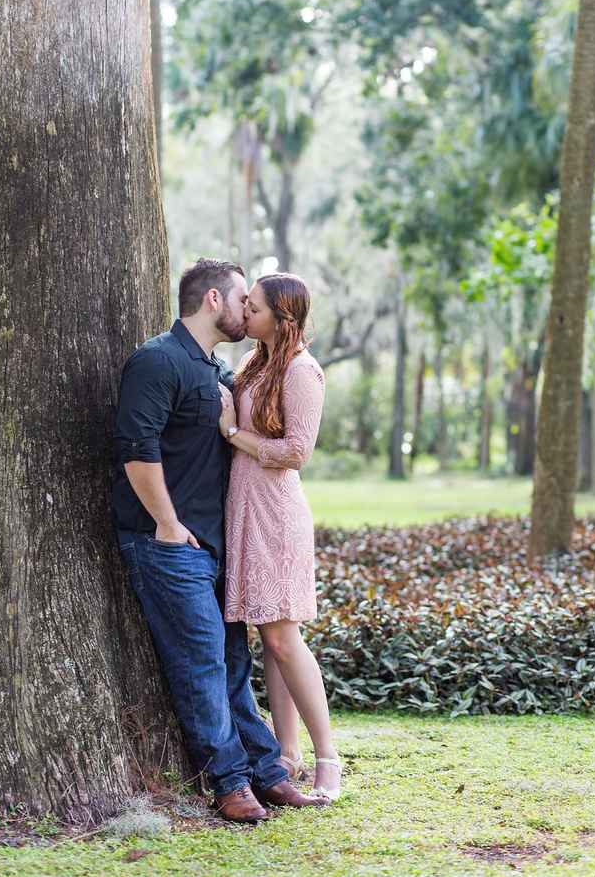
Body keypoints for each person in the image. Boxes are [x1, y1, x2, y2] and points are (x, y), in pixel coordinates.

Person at [113, 258, 327, 824]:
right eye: (242, 302)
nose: (246, 312)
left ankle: (269, 771)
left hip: (217, 543)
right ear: (213, 300)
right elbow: (137, 449)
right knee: (203, 662)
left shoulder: (216, 371)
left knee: (232, 659)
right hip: (169, 543)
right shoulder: (157, 361)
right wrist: (165, 523)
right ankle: (230, 782)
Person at [219, 272, 342, 801]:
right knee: (268, 638)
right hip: (245, 509)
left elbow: (297, 451)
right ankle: (284, 755)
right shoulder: (254, 364)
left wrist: (233, 433)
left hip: (278, 514)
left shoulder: (301, 370)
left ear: (281, 317)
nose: (245, 313)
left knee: (282, 638)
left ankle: (328, 759)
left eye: (254, 307)